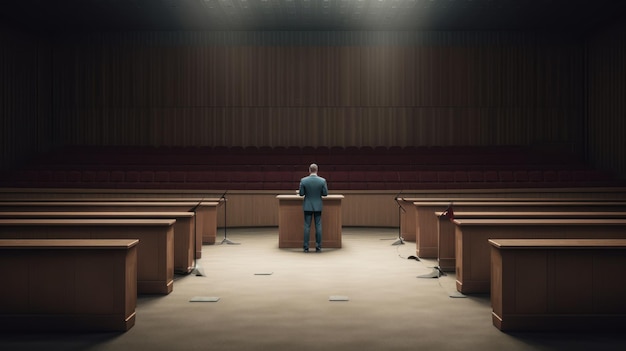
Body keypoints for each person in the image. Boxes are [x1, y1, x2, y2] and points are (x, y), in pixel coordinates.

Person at [299, 163, 328, 252]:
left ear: (309, 170)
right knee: (318, 226)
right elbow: (325, 194)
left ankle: (306, 247)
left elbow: (301, 194)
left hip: (307, 205)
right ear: (317, 170)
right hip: (318, 206)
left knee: (307, 226)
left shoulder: (303, 180)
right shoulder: (322, 181)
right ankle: (318, 247)